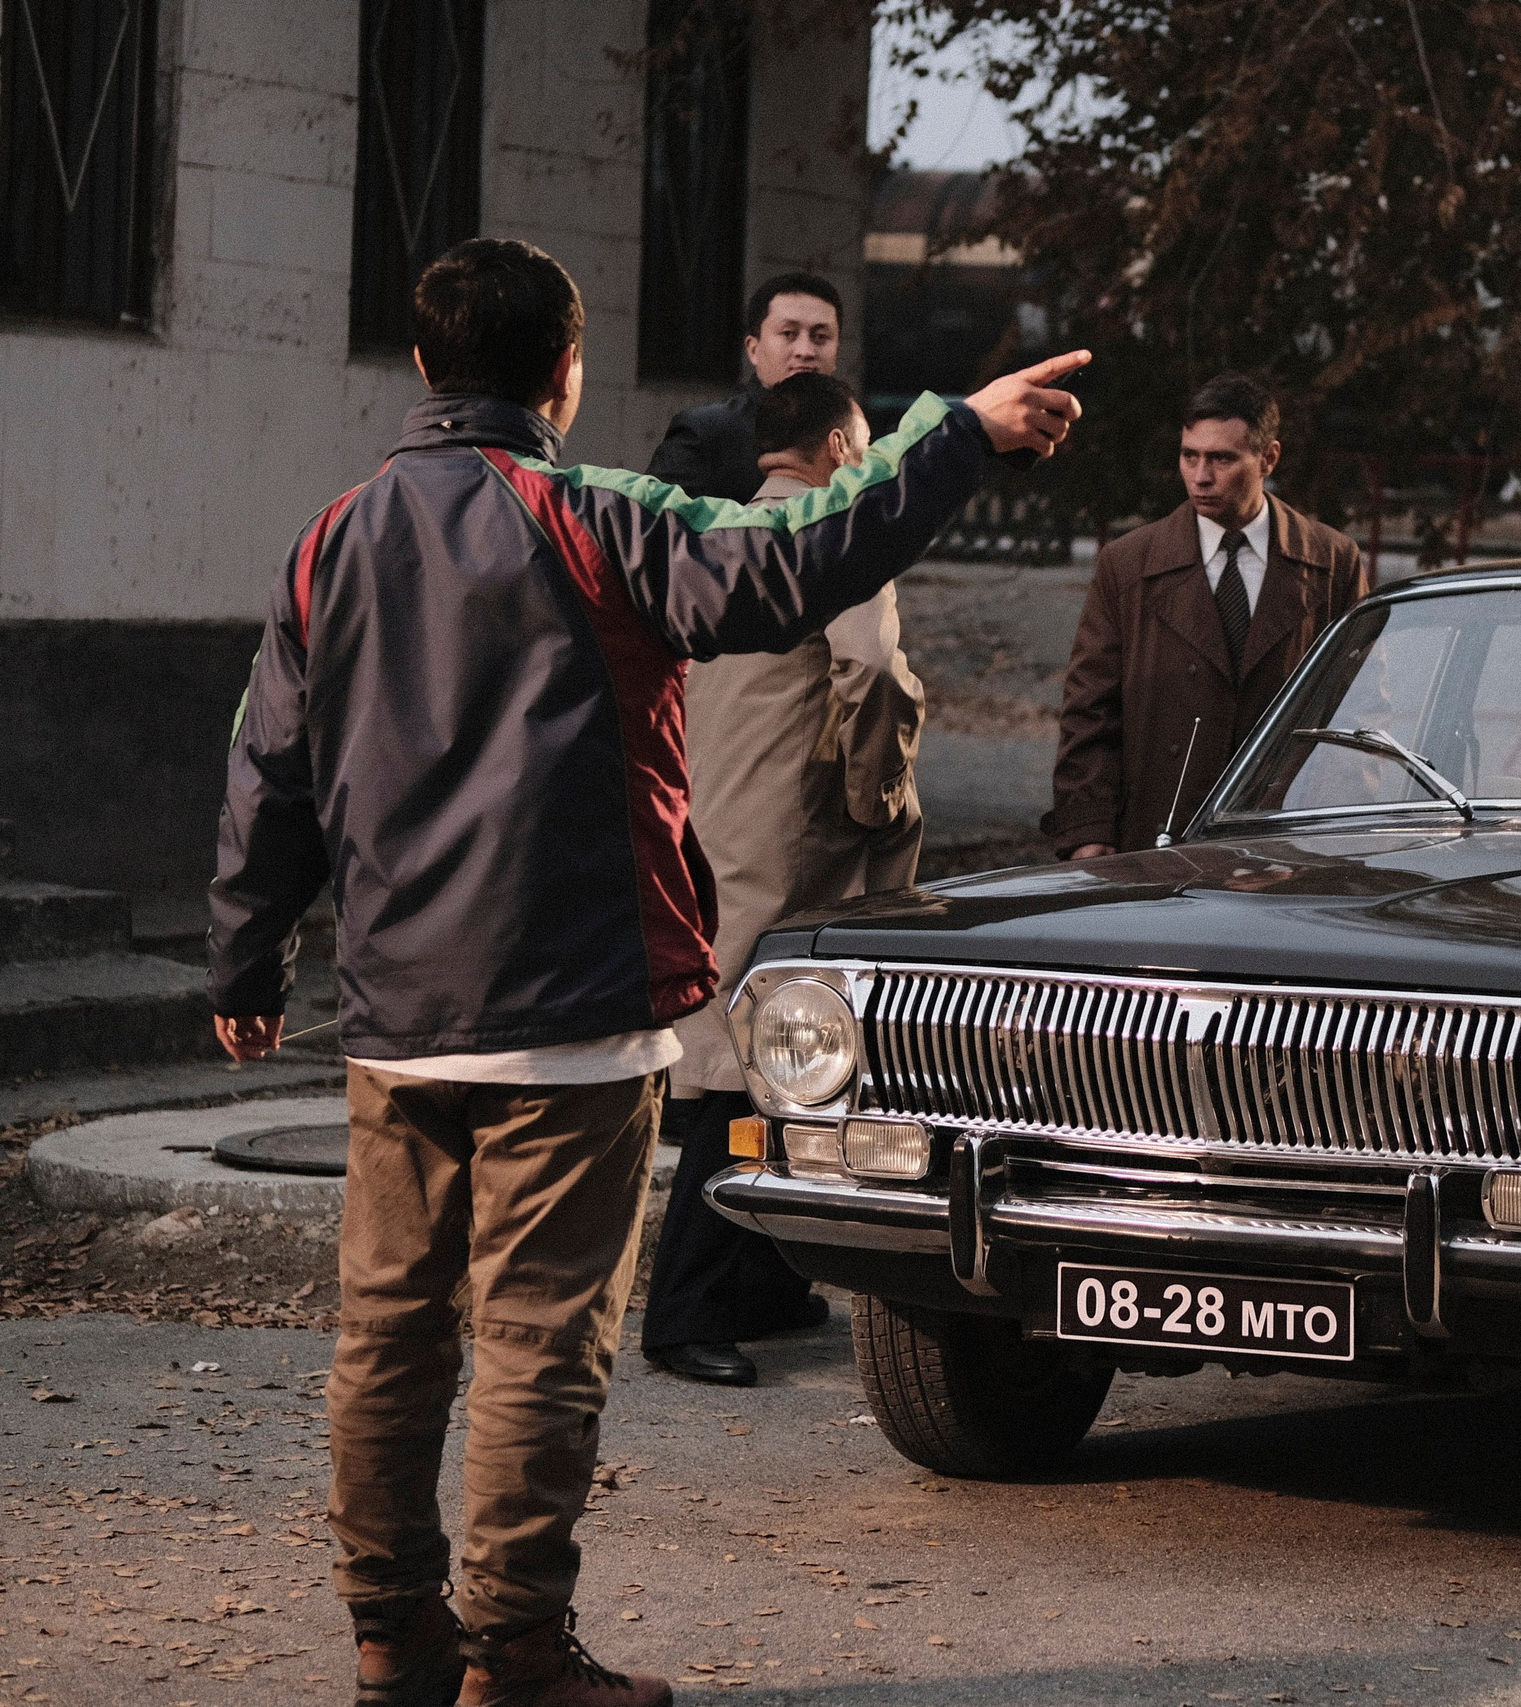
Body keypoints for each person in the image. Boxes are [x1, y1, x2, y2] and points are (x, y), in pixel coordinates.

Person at [205, 236, 1084, 1707]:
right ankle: (516, 1652)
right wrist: (958, 432)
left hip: (398, 1020)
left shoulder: (331, 535)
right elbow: (793, 561)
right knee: (542, 1341)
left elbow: (266, 763)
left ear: (423, 367)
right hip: (575, 1016)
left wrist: (245, 951)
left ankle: (392, 1638)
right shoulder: (598, 515)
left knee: (389, 1337)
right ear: (567, 366)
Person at [645, 371, 926, 1389]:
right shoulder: (836, 537)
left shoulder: (717, 535)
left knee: (755, 1056)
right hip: (797, 836)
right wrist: (877, 802)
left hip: (711, 819)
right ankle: (682, 1311)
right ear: (841, 445)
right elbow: (873, 676)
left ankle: (762, 1285)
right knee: (757, 1067)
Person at [1050, 373, 1369, 857]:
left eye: (1222, 459)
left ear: (1268, 459)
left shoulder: (1332, 562)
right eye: (1189, 455)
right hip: (1156, 841)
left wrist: (1322, 837)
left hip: (1284, 843)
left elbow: (1358, 712)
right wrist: (1088, 832)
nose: (1201, 476)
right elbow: (1090, 710)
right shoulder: (1129, 564)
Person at [645, 270, 844, 501]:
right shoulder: (706, 432)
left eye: (820, 337)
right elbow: (654, 525)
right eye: (789, 333)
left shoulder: (854, 434)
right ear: (753, 349)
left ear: (837, 350)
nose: (805, 351)